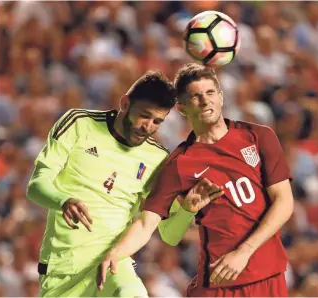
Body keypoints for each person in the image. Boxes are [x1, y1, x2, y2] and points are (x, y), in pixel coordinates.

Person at [97, 63, 294, 297]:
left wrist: (244, 252)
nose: (205, 100)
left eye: (210, 93)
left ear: (220, 97)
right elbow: (153, 228)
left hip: (268, 275)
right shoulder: (179, 163)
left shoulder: (259, 136)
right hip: (219, 282)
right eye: (195, 96)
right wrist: (116, 252)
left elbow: (284, 202)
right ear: (181, 108)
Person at [26, 70, 223, 297]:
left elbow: (169, 234)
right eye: (144, 115)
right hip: (62, 269)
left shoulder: (159, 159)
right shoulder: (79, 123)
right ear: (125, 103)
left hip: (114, 263)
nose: (148, 126)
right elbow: (36, 185)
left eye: (157, 121)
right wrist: (63, 201)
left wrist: (187, 211)